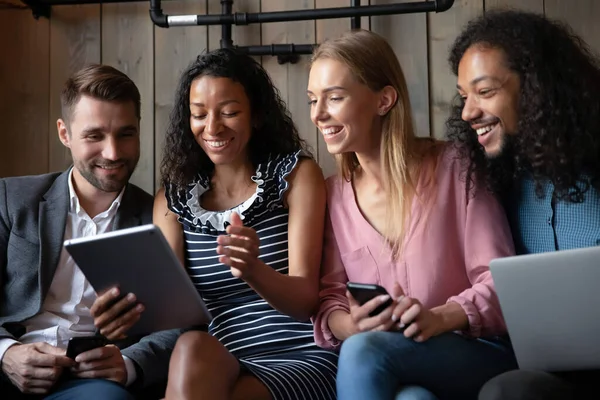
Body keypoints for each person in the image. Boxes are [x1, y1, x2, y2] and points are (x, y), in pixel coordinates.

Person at [94, 48, 338, 400]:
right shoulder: (173, 200)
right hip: (220, 358)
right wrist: (120, 317)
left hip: (298, 353)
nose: (212, 127)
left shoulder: (296, 177)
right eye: (199, 115)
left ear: (255, 115)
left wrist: (253, 268)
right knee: (192, 347)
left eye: (230, 112)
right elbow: (171, 316)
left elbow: (305, 301)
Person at [307, 29, 518, 400]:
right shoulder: (333, 195)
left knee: (362, 351)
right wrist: (351, 324)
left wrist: (438, 318)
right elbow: (330, 300)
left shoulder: (458, 166)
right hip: (393, 360)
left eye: (334, 98)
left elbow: (503, 283)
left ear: (384, 100)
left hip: (475, 353)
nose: (319, 114)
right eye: (313, 100)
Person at [446, 10, 600, 400]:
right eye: (464, 96)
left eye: (485, 91)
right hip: (547, 370)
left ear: (535, 88)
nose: (467, 112)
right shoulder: (497, 180)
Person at [0, 64, 179, 399]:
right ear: (64, 133)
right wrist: (5, 352)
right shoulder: (10, 199)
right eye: (94, 136)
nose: (112, 153)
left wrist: (129, 364)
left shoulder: (161, 217)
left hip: (91, 383)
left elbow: (182, 323)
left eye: (126, 134)